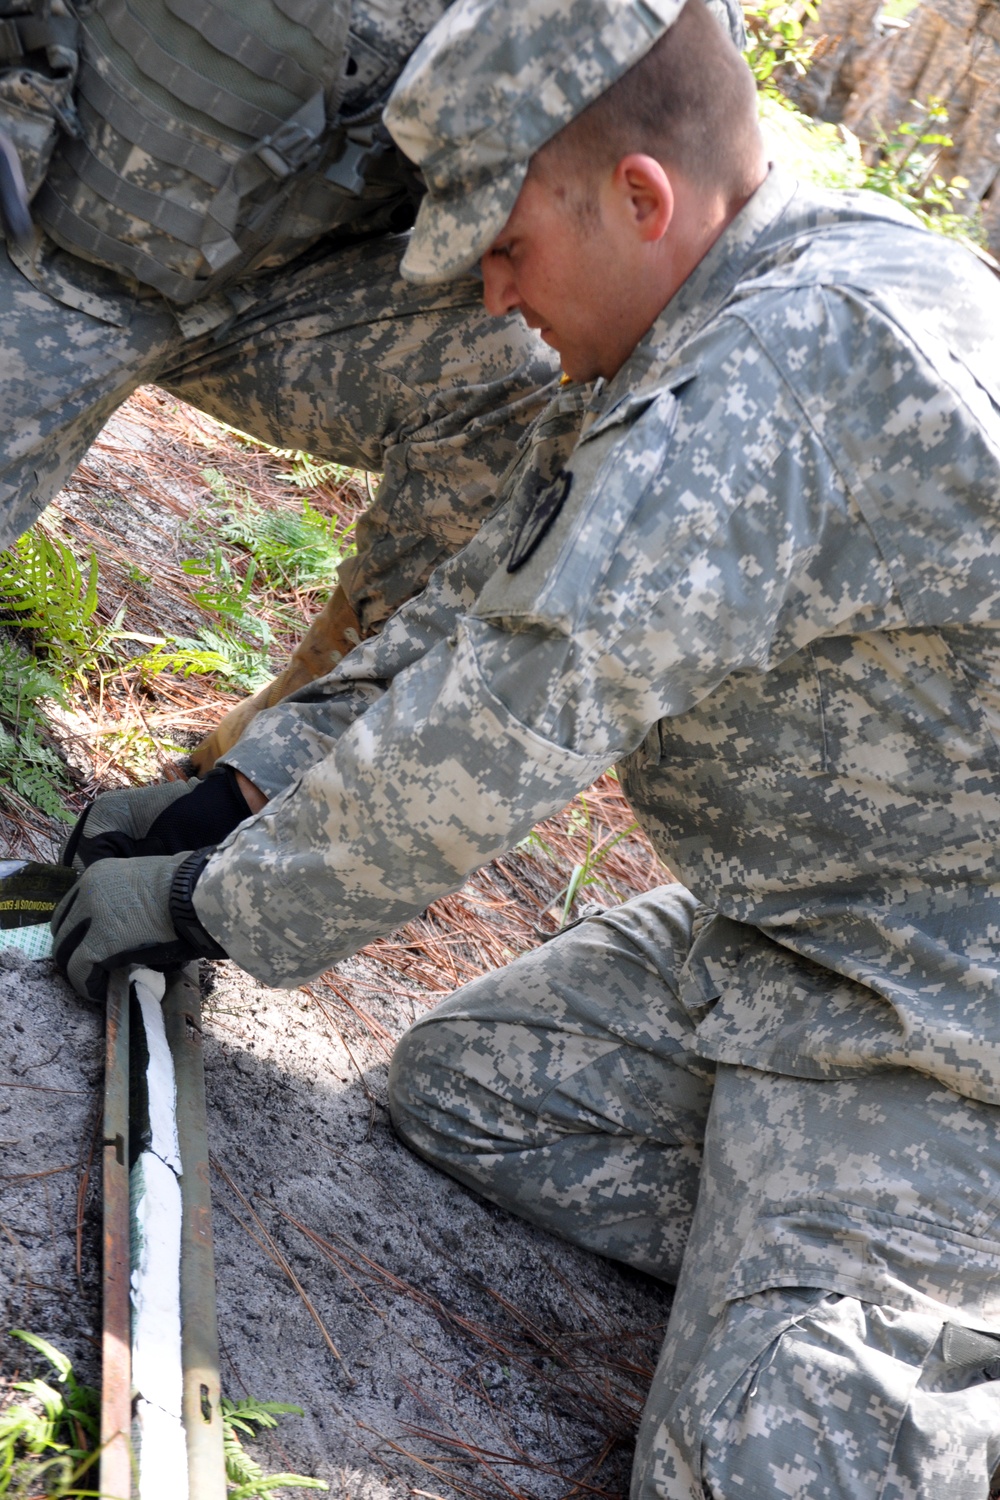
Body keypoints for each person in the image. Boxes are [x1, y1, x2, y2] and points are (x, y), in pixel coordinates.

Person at [51, 0, 1000, 1493]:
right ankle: (841, 1227)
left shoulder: (780, 380)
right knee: (473, 1090)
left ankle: (915, 1264)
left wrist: (205, 904)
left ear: (642, 198)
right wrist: (232, 799)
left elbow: (507, 723)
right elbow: (486, 614)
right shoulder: (709, 301)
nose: (491, 297)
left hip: (953, 1023)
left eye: (506, 246)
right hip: (801, 932)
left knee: (762, 1455)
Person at [0, 0, 744, 773]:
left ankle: (260, 771)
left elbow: (668, 134)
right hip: (52, 234)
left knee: (521, 393)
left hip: (283, 279)